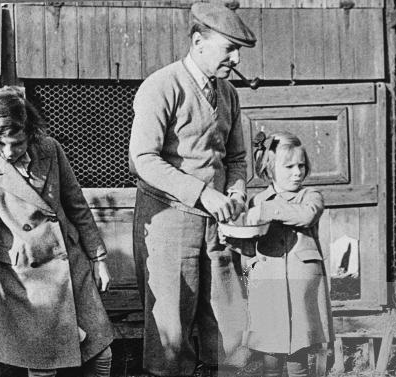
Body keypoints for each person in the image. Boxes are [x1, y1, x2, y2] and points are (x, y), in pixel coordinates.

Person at [129, 2, 256, 376]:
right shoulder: (161, 86)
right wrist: (202, 193)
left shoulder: (229, 93)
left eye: (238, 50)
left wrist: (235, 192)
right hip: (169, 225)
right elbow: (143, 159)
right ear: (198, 41)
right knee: (171, 337)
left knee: (230, 329)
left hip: (219, 228)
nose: (234, 59)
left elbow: (236, 158)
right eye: (228, 48)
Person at [0, 86, 114, 377]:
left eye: (16, 143)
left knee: (100, 353)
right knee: (43, 367)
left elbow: (76, 205)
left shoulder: (50, 149)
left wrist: (98, 258)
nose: (8, 152)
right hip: (27, 278)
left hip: (70, 263)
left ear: (30, 133)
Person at [244, 131, 334, 377]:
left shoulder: (310, 196)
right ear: (270, 168)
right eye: (289, 166)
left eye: (301, 165)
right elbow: (250, 246)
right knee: (270, 357)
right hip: (269, 287)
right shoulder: (257, 201)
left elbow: (305, 216)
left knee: (298, 357)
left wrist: (269, 209)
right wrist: (235, 241)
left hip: (300, 288)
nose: (298, 172)